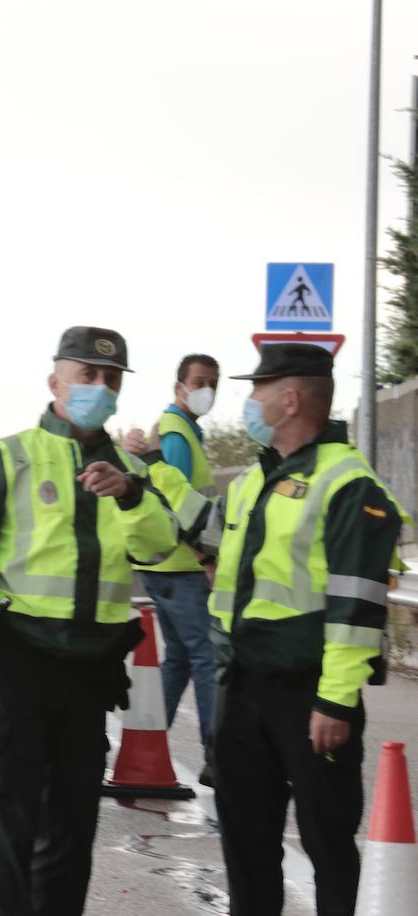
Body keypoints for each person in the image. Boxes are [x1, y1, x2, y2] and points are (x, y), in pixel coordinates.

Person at [0, 326, 181, 916]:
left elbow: (160, 546)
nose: (99, 387)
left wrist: (129, 495)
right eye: (86, 375)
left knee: (70, 844)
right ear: (55, 382)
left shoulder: (130, 471)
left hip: (87, 678)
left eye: (110, 379)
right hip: (13, 668)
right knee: (6, 841)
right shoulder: (8, 457)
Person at [210, 343, 403, 915]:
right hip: (243, 687)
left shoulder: (349, 484)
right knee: (245, 846)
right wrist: (137, 492)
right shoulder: (254, 479)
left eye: (257, 390)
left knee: (327, 843)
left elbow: (356, 605)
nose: (249, 401)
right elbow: (207, 542)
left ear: (289, 400)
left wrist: (336, 702)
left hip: (310, 695)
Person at [129, 353, 220, 785]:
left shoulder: (181, 430)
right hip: (182, 566)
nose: (207, 390)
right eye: (199, 381)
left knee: (181, 658)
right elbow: (175, 501)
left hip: (164, 565)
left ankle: (146, 741)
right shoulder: (177, 434)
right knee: (206, 657)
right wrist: (206, 558)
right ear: (178, 386)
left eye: (213, 383)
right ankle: (216, 756)